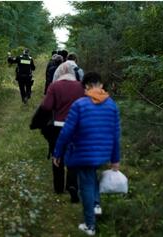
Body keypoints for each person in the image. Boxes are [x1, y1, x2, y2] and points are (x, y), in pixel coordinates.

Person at [52, 72, 121, 236]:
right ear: (101, 85)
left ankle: (90, 226)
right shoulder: (112, 105)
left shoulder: (79, 105)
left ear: (87, 87)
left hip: (82, 152)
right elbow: (115, 134)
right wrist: (115, 159)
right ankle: (96, 205)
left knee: (86, 185)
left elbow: (67, 131)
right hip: (102, 152)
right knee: (92, 176)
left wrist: (58, 152)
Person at [41, 61, 85, 202]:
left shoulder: (55, 86)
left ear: (59, 73)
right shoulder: (81, 87)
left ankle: (58, 187)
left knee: (57, 155)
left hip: (58, 126)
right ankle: (72, 184)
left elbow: (47, 107)